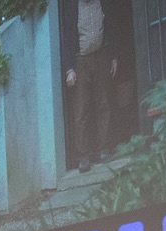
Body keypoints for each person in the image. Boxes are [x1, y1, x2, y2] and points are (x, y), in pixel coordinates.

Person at [62, 0, 120, 173]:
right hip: (80, 60)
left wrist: (114, 56)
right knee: (81, 110)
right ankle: (83, 157)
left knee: (104, 104)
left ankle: (103, 150)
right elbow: (66, 38)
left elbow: (111, 26)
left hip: (101, 55)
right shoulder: (72, 6)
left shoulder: (103, 2)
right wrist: (69, 69)